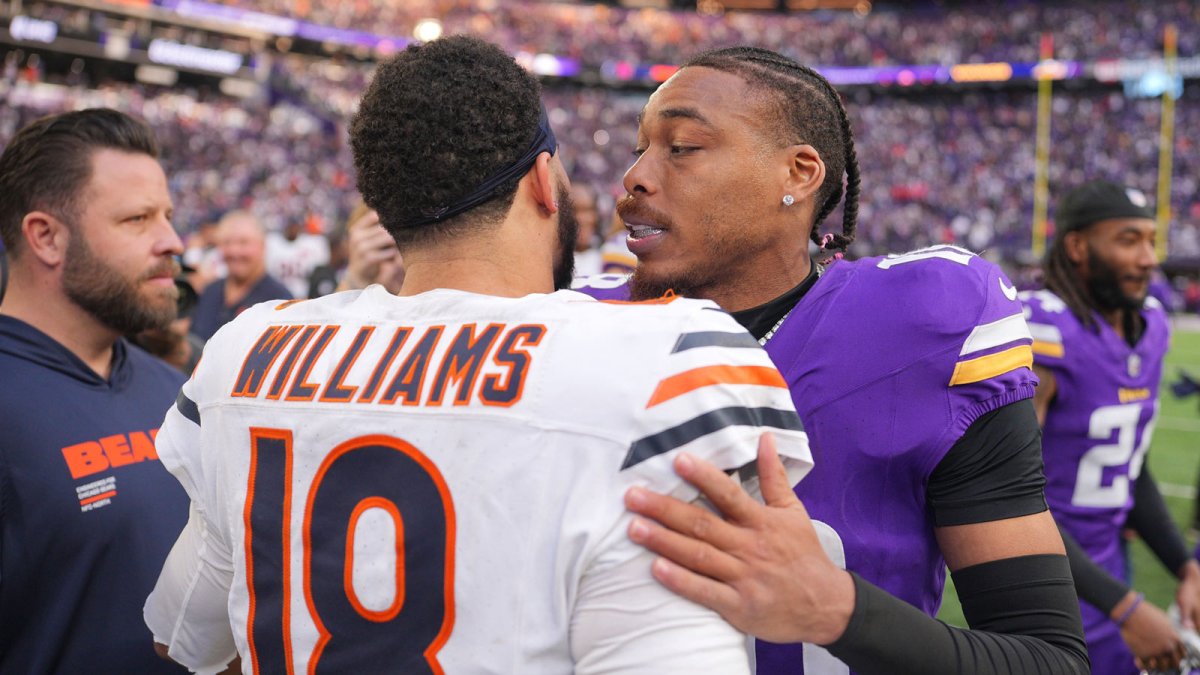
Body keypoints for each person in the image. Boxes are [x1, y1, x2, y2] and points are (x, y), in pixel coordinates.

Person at [143, 35, 812, 674]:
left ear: (384, 205)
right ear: (544, 182)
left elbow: (184, 636)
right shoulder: (669, 355)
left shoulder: (248, 351)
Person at [575, 46, 1090, 673]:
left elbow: (1049, 659)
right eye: (638, 149)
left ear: (798, 174)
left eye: (680, 147)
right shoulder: (576, 326)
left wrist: (836, 611)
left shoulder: (922, 321)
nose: (635, 177)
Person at [0, 108, 190, 673]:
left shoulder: (180, 391)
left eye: (168, 216)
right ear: (47, 237)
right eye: (137, 219)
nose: (173, 242)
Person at [1022, 179, 1200, 674]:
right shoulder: (1043, 332)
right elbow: (1009, 499)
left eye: (1150, 240)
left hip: (1110, 566)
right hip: (1046, 583)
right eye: (1128, 240)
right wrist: (1123, 607)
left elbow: (1130, 467)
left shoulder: (1151, 327)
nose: (1148, 258)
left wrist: (1186, 566)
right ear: (1078, 245)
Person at [189, 210, 291, 340]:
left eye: (243, 243)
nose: (234, 251)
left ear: (263, 246)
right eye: (227, 243)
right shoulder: (210, 291)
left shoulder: (279, 300)